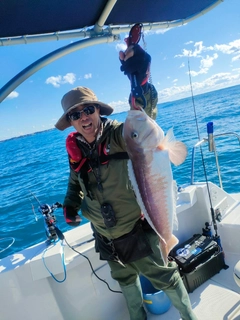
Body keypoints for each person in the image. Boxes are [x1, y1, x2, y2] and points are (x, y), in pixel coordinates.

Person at [55, 44, 198, 320]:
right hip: (105, 238)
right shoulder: (76, 150)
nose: (84, 117)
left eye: (88, 109)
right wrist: (72, 203)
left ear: (98, 110)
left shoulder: (121, 135)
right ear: (71, 122)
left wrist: (140, 80)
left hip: (136, 232)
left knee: (166, 278)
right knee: (127, 284)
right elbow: (76, 180)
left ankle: (190, 317)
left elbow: (144, 122)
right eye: (75, 114)